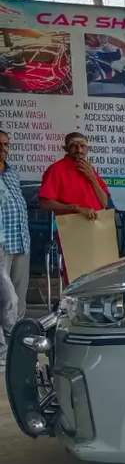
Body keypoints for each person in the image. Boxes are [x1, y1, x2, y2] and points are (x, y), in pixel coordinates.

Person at [0, 129, 29, 368]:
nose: (3, 148)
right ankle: (4, 348)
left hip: (20, 240)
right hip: (0, 243)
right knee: (7, 296)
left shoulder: (11, 172)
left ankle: (16, 343)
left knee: (18, 297)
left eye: (6, 144)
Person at [39, 132, 109, 220]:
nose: (79, 150)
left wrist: (92, 178)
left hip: (97, 224)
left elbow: (104, 203)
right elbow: (44, 203)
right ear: (66, 149)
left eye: (82, 146)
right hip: (71, 226)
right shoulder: (56, 169)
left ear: (88, 149)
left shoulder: (89, 168)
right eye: (74, 146)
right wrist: (76, 209)